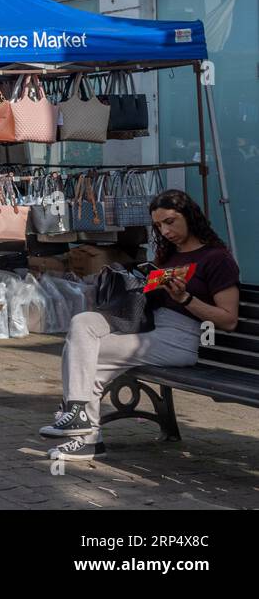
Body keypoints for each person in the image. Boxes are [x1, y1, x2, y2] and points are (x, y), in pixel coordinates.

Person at [44, 189, 240, 461]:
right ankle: (80, 421)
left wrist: (185, 297)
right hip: (149, 327)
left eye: (170, 221)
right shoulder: (169, 253)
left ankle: (85, 434)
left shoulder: (216, 258)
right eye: (159, 225)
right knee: (82, 324)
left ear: (190, 216)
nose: (165, 230)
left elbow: (228, 320)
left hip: (181, 338)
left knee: (84, 355)